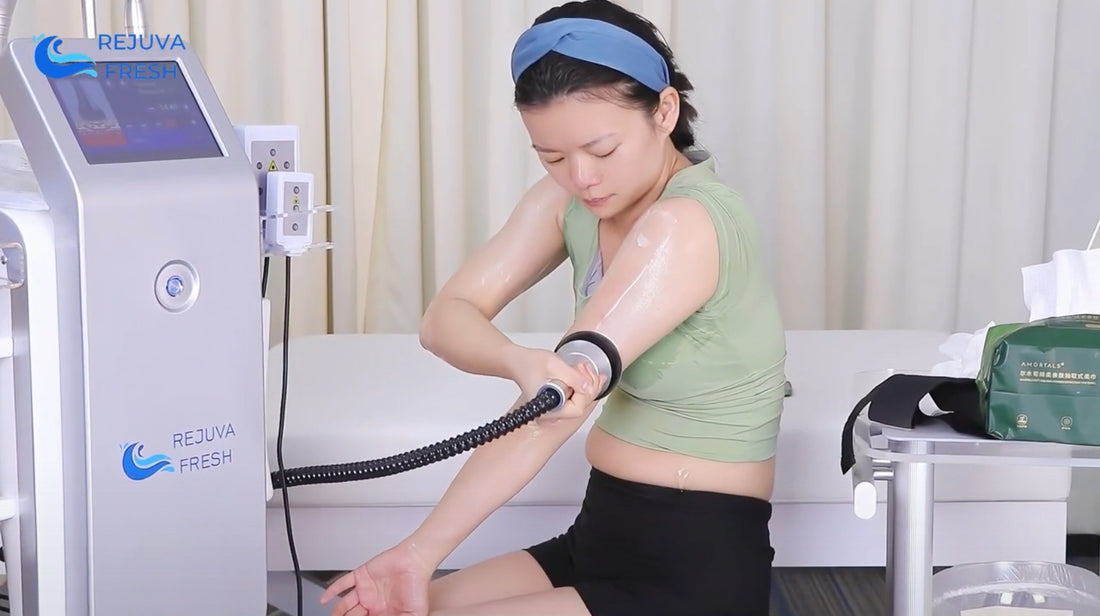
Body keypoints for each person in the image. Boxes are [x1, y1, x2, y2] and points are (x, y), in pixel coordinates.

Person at [320, 1, 787, 614]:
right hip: (597, 538)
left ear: (663, 112)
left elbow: (554, 412)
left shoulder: (687, 224)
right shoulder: (570, 202)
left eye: (602, 149)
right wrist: (520, 361)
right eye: (553, 157)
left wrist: (417, 553)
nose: (583, 177)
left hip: (692, 572)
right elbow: (445, 319)